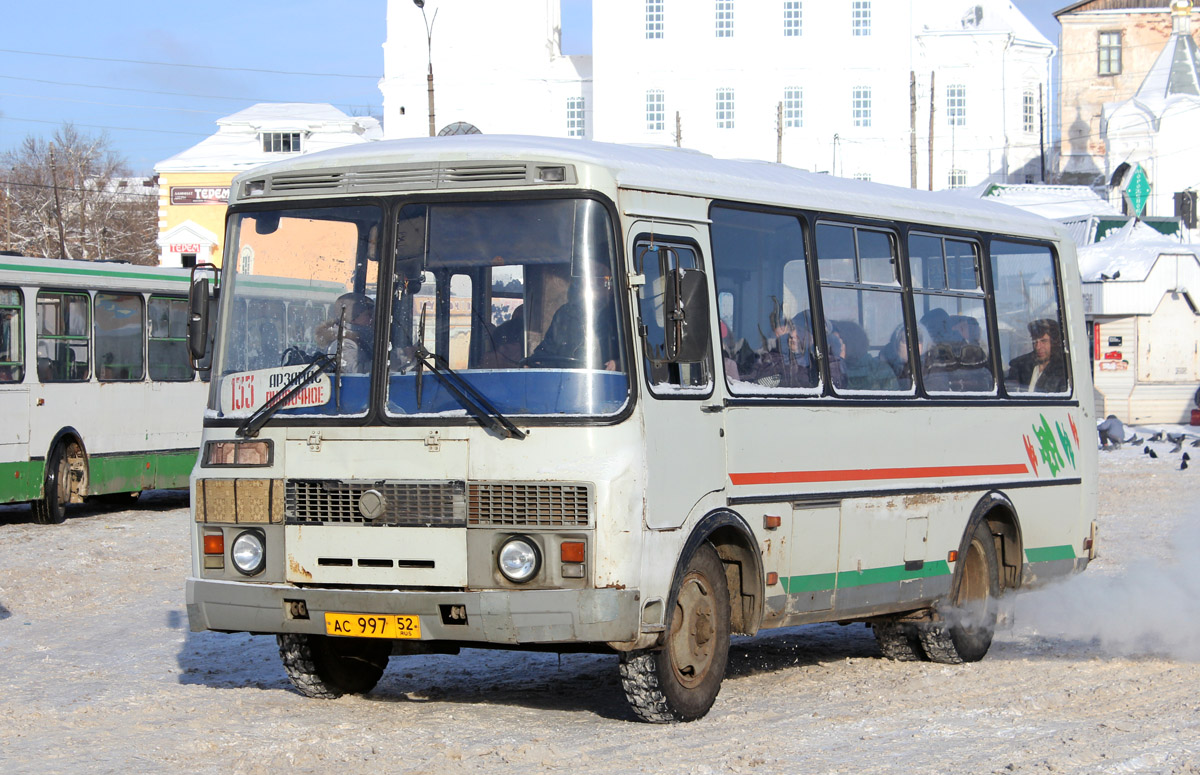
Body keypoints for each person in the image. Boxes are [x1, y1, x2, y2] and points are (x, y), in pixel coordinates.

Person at [529, 264, 619, 370]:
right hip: (569, 381)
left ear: (611, 285)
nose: (593, 282)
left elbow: (636, 354)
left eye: (600, 278)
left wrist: (618, 364)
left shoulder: (621, 314)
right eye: (590, 277)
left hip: (611, 382)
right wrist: (534, 364)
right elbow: (547, 351)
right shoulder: (566, 313)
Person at [315, 292, 375, 372]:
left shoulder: (362, 339)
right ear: (352, 319)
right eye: (368, 315)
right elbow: (355, 374)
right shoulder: (344, 343)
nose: (372, 319)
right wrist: (384, 365)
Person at [1007, 318, 1066, 393]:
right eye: (1035, 341)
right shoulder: (1022, 366)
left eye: (1043, 341)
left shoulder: (1063, 372)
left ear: (1055, 342)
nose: (1038, 347)